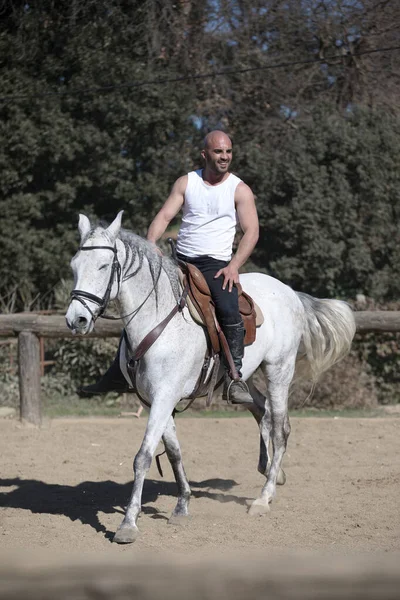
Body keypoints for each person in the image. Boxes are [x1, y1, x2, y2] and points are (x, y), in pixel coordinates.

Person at [80, 131, 259, 404]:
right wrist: (151, 241)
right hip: (180, 259)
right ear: (205, 154)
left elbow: (251, 231)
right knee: (140, 303)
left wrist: (234, 265)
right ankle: (118, 372)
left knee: (228, 305)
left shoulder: (239, 189)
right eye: (218, 152)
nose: (224, 157)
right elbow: (164, 216)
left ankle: (235, 378)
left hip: (216, 264)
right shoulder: (187, 183)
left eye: (228, 152)